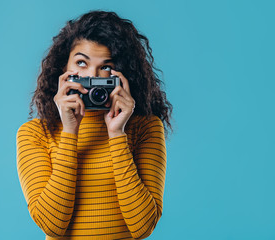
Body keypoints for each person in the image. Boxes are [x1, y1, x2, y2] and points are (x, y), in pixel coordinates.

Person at [16, 10, 173, 240]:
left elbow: (143, 226)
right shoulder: (35, 134)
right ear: (62, 69)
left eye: (106, 68)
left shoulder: (146, 128)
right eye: (81, 63)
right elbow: (52, 224)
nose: (92, 77)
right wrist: (70, 131)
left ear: (123, 75)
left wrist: (117, 134)